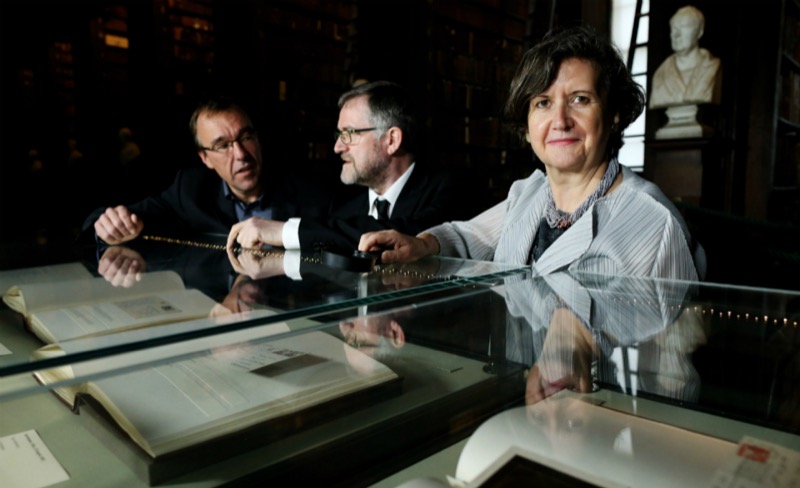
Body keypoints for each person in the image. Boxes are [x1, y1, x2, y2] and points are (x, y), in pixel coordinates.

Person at [359, 25, 705, 281]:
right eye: (542, 102)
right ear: (526, 124)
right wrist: (422, 244)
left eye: (580, 99)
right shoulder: (529, 193)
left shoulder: (655, 223)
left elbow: (670, 370)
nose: (560, 121)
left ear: (613, 114)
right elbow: (470, 236)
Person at [226, 80, 475, 253]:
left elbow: (397, 233)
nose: (337, 147)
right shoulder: (344, 210)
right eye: (339, 134)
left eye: (349, 134)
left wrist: (286, 232)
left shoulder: (451, 190)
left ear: (391, 140)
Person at [82, 97, 329, 245]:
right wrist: (104, 224)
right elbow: (120, 219)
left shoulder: (306, 191)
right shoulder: (189, 191)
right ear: (205, 158)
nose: (241, 154)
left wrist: (286, 234)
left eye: (246, 138)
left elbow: (334, 244)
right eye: (222, 146)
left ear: (258, 140)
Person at [649, 5, 721, 108]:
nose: (676, 34)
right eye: (673, 28)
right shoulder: (660, 75)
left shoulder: (712, 68)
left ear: (700, 31)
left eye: (684, 26)